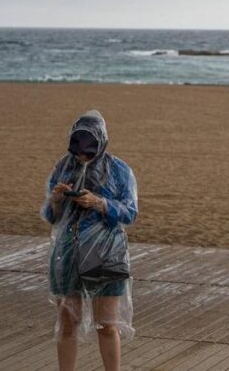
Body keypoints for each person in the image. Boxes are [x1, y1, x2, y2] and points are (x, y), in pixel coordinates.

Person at [41, 110, 138, 371]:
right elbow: (51, 216)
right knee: (67, 322)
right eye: (78, 149)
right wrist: (56, 200)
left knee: (107, 325)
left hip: (106, 252)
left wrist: (100, 203)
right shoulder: (63, 167)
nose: (82, 156)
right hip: (68, 253)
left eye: (89, 149)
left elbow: (130, 212)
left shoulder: (119, 170)